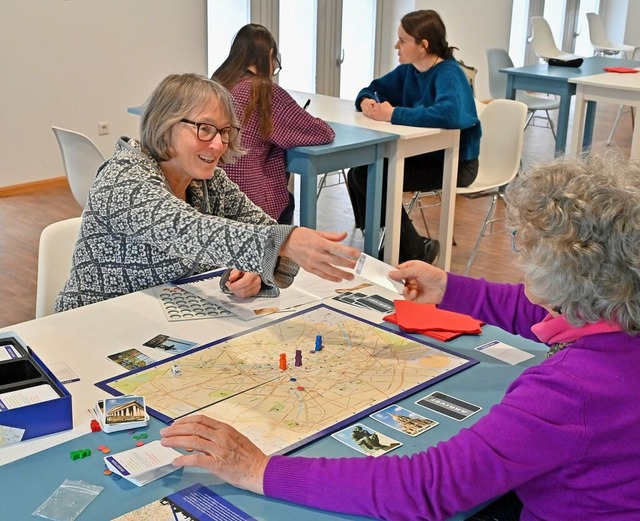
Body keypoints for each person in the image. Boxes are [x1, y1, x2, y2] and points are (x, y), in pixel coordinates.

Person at [160, 152, 640, 520]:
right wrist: (450, 287)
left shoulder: (570, 391)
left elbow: (427, 487)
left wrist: (258, 469)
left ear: (565, 276)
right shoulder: (616, 307)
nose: (519, 255)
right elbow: (539, 310)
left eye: (525, 245)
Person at [55, 73, 359, 312]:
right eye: (204, 129)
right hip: (92, 328)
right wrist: (285, 241)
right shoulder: (124, 178)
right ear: (165, 126)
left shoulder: (207, 181)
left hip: (163, 323)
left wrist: (255, 272)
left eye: (225, 132)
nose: (217, 144)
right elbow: (186, 230)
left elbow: (261, 229)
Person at [347, 9, 481, 264]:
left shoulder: (449, 73)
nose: (397, 46)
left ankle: (411, 248)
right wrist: (365, 100)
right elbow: (373, 88)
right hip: (424, 156)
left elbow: (449, 114)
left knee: (374, 177)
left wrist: (394, 114)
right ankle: (389, 243)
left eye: (403, 41)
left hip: (455, 163)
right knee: (360, 173)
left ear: (423, 45)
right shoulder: (410, 70)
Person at [213, 23, 335, 224]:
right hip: (250, 198)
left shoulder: (218, 84)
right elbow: (322, 133)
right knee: (287, 203)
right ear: (270, 54)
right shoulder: (262, 91)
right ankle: (282, 254)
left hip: (215, 195)